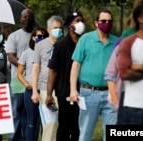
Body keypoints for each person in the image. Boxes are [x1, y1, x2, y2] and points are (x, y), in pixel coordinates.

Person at [69, 9, 117, 141]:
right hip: (88, 92)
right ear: (96, 23)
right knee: (85, 133)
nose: (106, 23)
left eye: (109, 21)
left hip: (111, 94)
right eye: (103, 21)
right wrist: (73, 89)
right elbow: (75, 65)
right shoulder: (85, 39)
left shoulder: (117, 42)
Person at [45, 11, 85, 141]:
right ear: (69, 25)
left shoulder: (86, 43)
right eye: (77, 21)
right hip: (64, 93)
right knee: (64, 127)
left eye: (82, 20)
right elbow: (53, 71)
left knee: (79, 127)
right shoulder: (59, 45)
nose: (80, 23)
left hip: (83, 92)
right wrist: (49, 94)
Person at [32, 15, 64, 141]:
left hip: (62, 89)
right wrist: (35, 91)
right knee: (49, 125)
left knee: (62, 124)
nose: (58, 30)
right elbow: (36, 69)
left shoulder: (65, 44)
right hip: (45, 90)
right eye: (55, 28)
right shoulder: (41, 45)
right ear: (49, 29)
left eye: (60, 28)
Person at [5, 9, 35, 141]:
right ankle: (14, 138)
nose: (27, 18)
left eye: (30, 16)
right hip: (17, 78)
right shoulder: (14, 36)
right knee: (16, 112)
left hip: (35, 79)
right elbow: (11, 57)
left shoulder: (38, 35)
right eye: (25, 17)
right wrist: (26, 66)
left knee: (31, 113)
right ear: (21, 19)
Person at [117, 3, 143, 125]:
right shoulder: (128, 42)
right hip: (134, 106)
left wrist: (140, 67)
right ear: (141, 19)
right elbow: (124, 73)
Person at [17, 27, 48, 141]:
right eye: (39, 36)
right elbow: (19, 73)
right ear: (33, 38)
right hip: (31, 90)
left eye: (44, 36)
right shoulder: (27, 53)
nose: (41, 38)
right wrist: (26, 84)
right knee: (31, 121)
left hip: (45, 89)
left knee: (46, 122)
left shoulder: (49, 52)